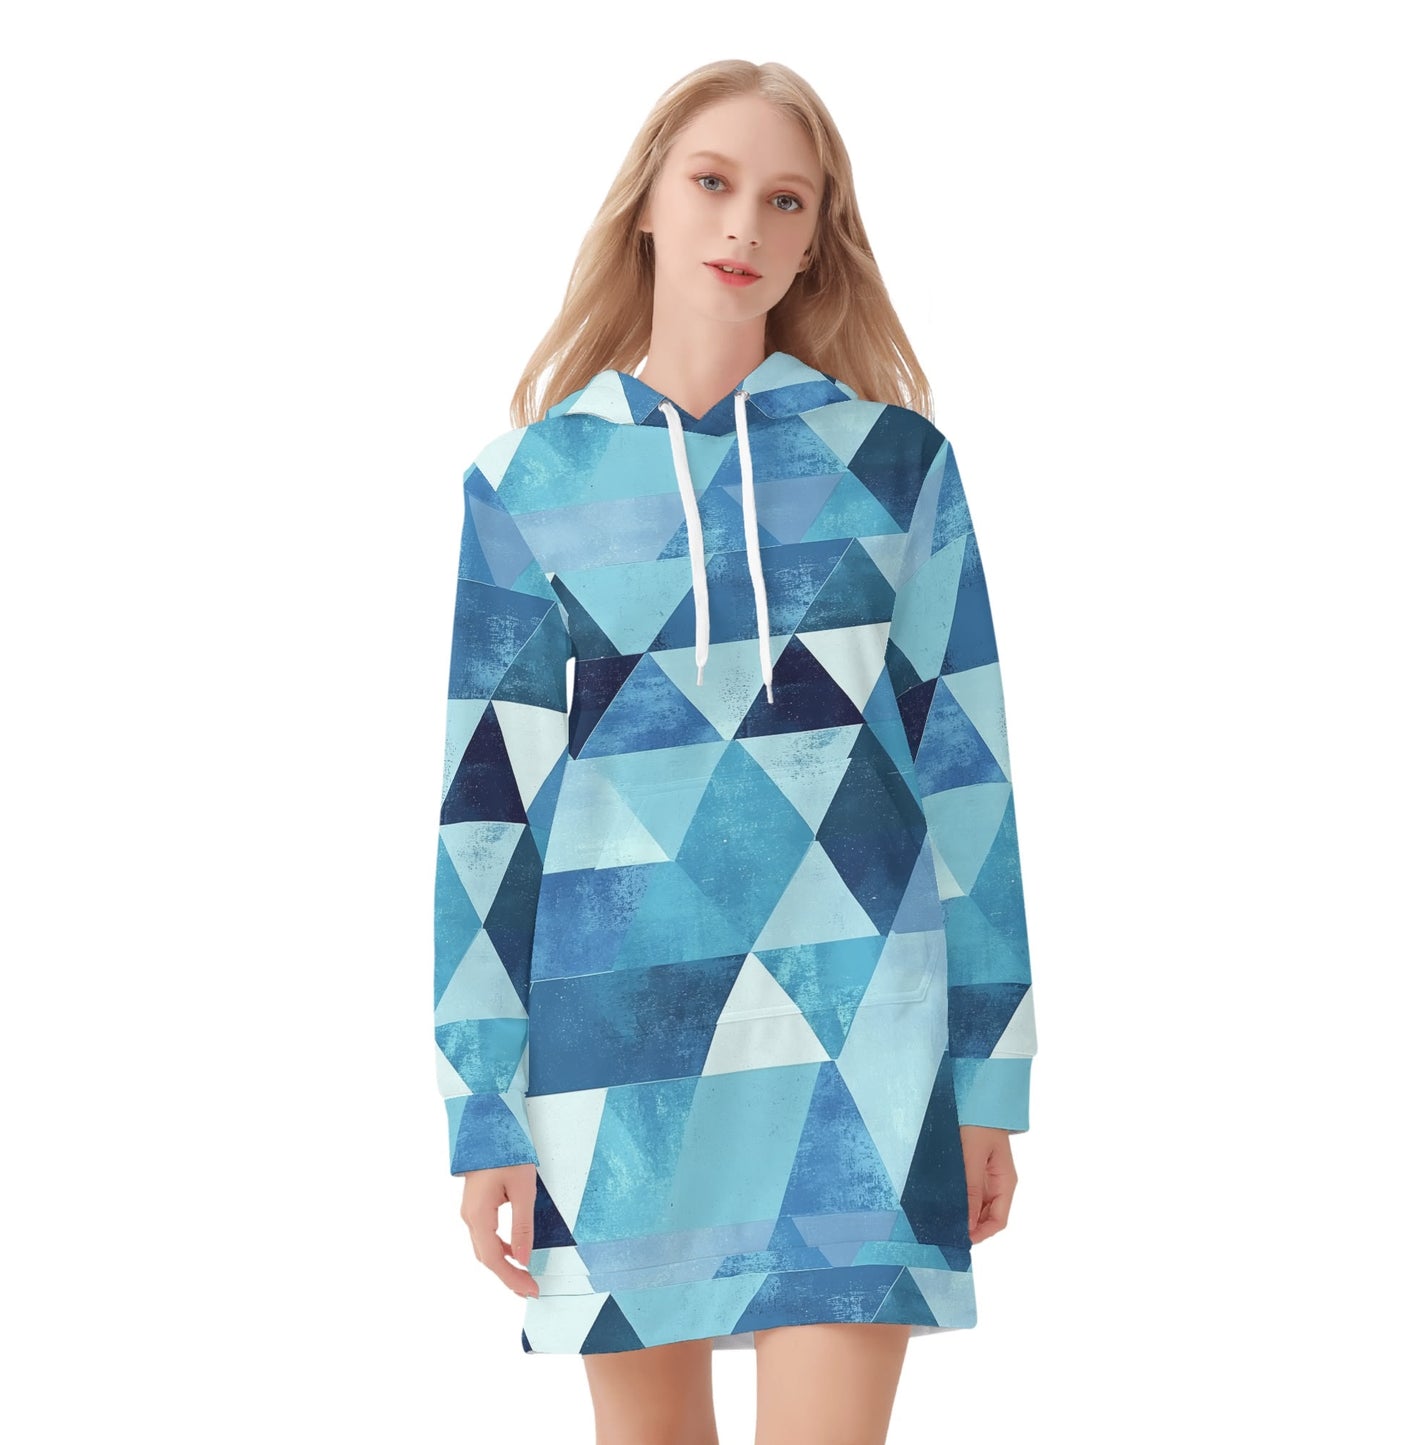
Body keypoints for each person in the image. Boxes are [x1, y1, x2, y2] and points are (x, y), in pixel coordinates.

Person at [433, 57, 1038, 1445]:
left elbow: (966, 772)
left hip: (863, 1046)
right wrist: (484, 1107)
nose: (744, 225)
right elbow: (487, 812)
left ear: (818, 237)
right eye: (712, 182)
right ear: (645, 201)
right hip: (617, 1056)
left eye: (786, 200)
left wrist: (991, 1068)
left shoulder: (897, 467)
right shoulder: (531, 481)